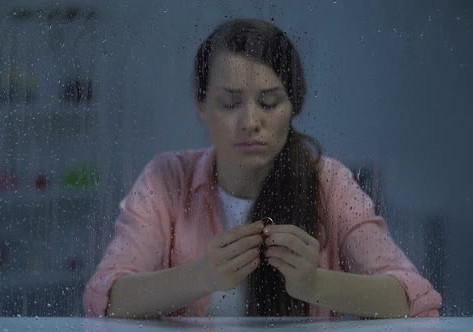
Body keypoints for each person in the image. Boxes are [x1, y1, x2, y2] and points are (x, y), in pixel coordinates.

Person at [83, 18, 442, 319]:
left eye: (269, 103)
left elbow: (415, 297)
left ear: (293, 105)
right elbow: (105, 298)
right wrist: (202, 275)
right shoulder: (166, 179)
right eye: (230, 103)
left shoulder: (329, 182)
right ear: (201, 102)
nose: (250, 122)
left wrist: (315, 283)